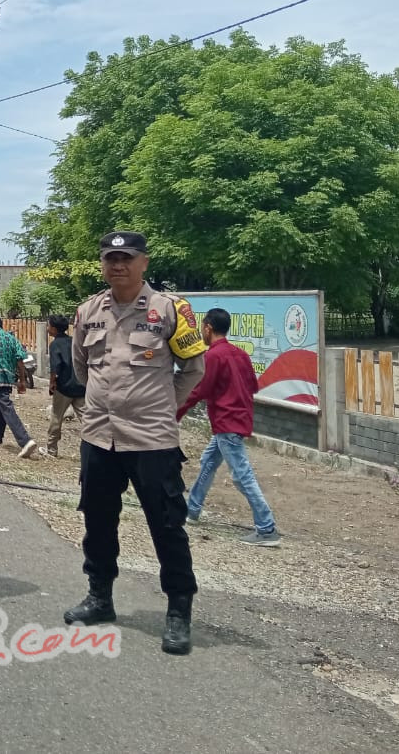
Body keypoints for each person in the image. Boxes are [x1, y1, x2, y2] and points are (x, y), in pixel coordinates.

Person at [65, 231, 207, 656]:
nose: (118, 266)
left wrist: (162, 408)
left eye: (126, 258)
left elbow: (193, 369)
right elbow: (81, 367)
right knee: (98, 522)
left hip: (151, 440)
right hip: (98, 437)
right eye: (110, 258)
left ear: (144, 262)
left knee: (166, 526)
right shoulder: (88, 310)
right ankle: (100, 597)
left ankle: (178, 612)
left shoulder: (170, 310)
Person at [178, 308, 282, 547]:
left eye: (202, 327)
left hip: (227, 422)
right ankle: (191, 509)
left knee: (241, 475)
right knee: (208, 461)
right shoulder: (241, 355)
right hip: (237, 419)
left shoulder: (213, 356)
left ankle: (266, 528)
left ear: (208, 328)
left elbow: (199, 391)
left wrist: (176, 414)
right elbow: (252, 387)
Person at [0, 315, 38, 459]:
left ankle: (25, 440)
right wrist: (22, 381)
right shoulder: (10, 337)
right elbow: (20, 358)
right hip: (10, 376)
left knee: (5, 406)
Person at [45, 314, 86, 458]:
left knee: (56, 417)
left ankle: (51, 450)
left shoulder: (55, 344)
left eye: (48, 325)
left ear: (54, 329)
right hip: (81, 387)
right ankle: (97, 447)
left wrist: (52, 384)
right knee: (87, 420)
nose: (47, 328)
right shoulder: (74, 341)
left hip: (64, 388)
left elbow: (55, 368)